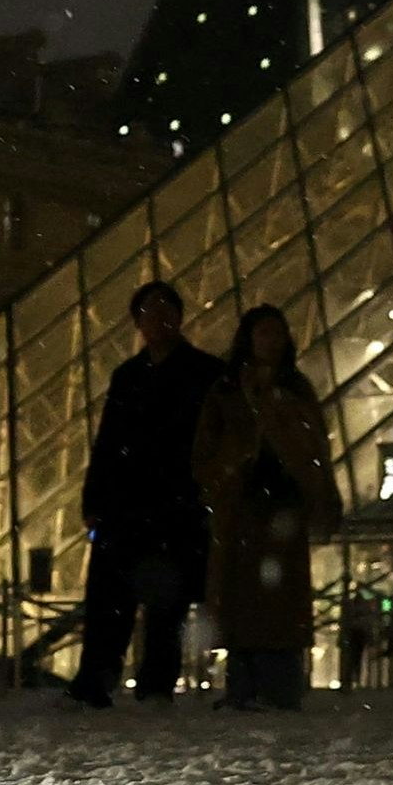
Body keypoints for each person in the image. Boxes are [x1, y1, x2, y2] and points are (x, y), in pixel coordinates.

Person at [71, 281, 227, 708]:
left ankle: (155, 684)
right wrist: (93, 501)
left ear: (179, 317)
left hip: (176, 504)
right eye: (149, 312)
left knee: (167, 602)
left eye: (165, 310)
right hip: (126, 504)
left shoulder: (207, 373)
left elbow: (216, 443)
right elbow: (107, 443)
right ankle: (97, 681)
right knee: (110, 599)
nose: (159, 319)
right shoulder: (127, 376)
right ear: (138, 322)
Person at [193, 305, 343, 710]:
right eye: (264, 333)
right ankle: (246, 686)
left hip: (282, 502)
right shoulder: (228, 389)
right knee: (245, 598)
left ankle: (277, 687)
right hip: (242, 502)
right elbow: (207, 448)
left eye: (277, 333)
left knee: (277, 600)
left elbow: (314, 444)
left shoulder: (294, 387)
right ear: (249, 339)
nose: (272, 341)